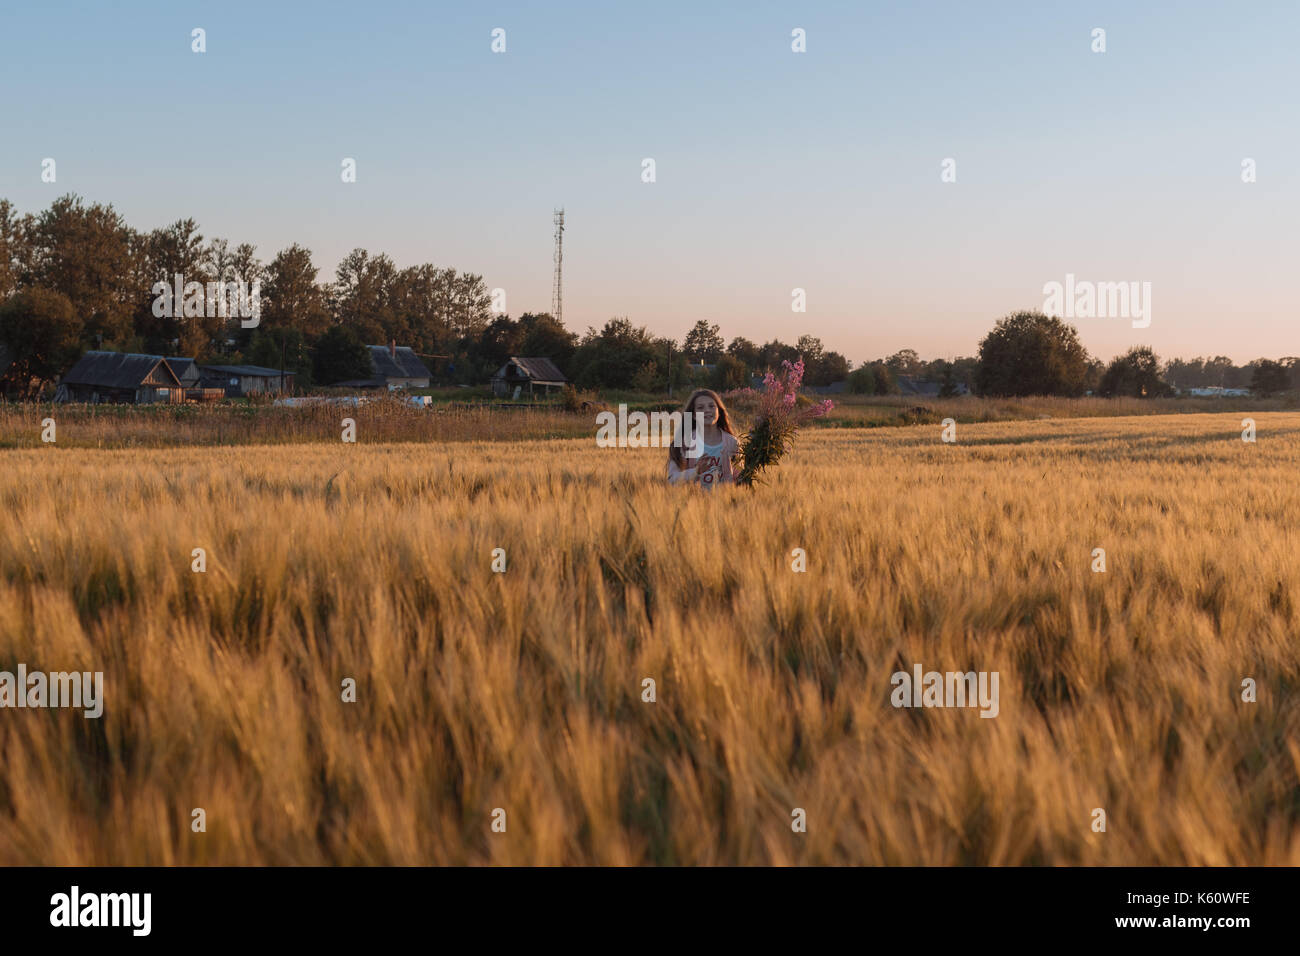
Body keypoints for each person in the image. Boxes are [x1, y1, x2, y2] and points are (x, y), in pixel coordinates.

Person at [666, 388, 742, 488]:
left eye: (712, 406)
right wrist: (696, 472)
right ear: (693, 415)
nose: (707, 410)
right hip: (692, 502)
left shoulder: (732, 442)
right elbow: (672, 480)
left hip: (725, 501)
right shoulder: (684, 443)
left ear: (719, 411)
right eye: (700, 408)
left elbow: (740, 479)